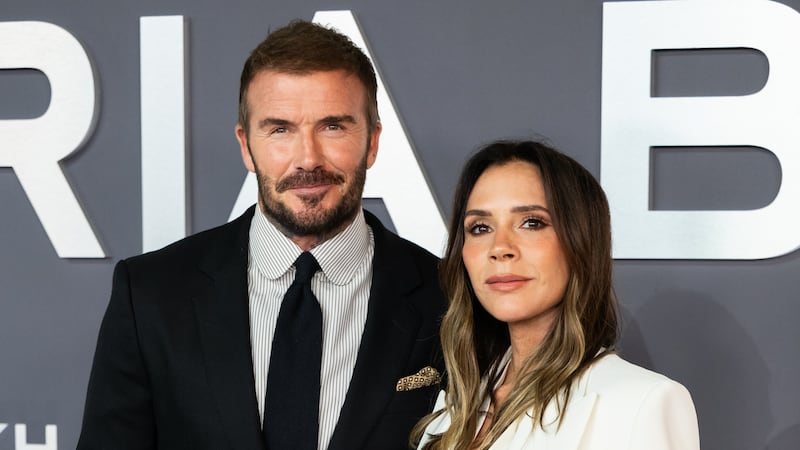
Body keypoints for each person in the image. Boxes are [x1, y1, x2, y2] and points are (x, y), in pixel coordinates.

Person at [78, 20, 445, 450]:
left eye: (333, 127)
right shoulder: (150, 295)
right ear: (245, 145)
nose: (308, 158)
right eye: (280, 129)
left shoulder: (448, 297)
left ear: (373, 142)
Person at [412, 140, 700, 450]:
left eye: (531, 223)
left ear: (581, 241)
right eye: (480, 227)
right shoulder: (458, 401)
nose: (500, 248)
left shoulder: (643, 403)